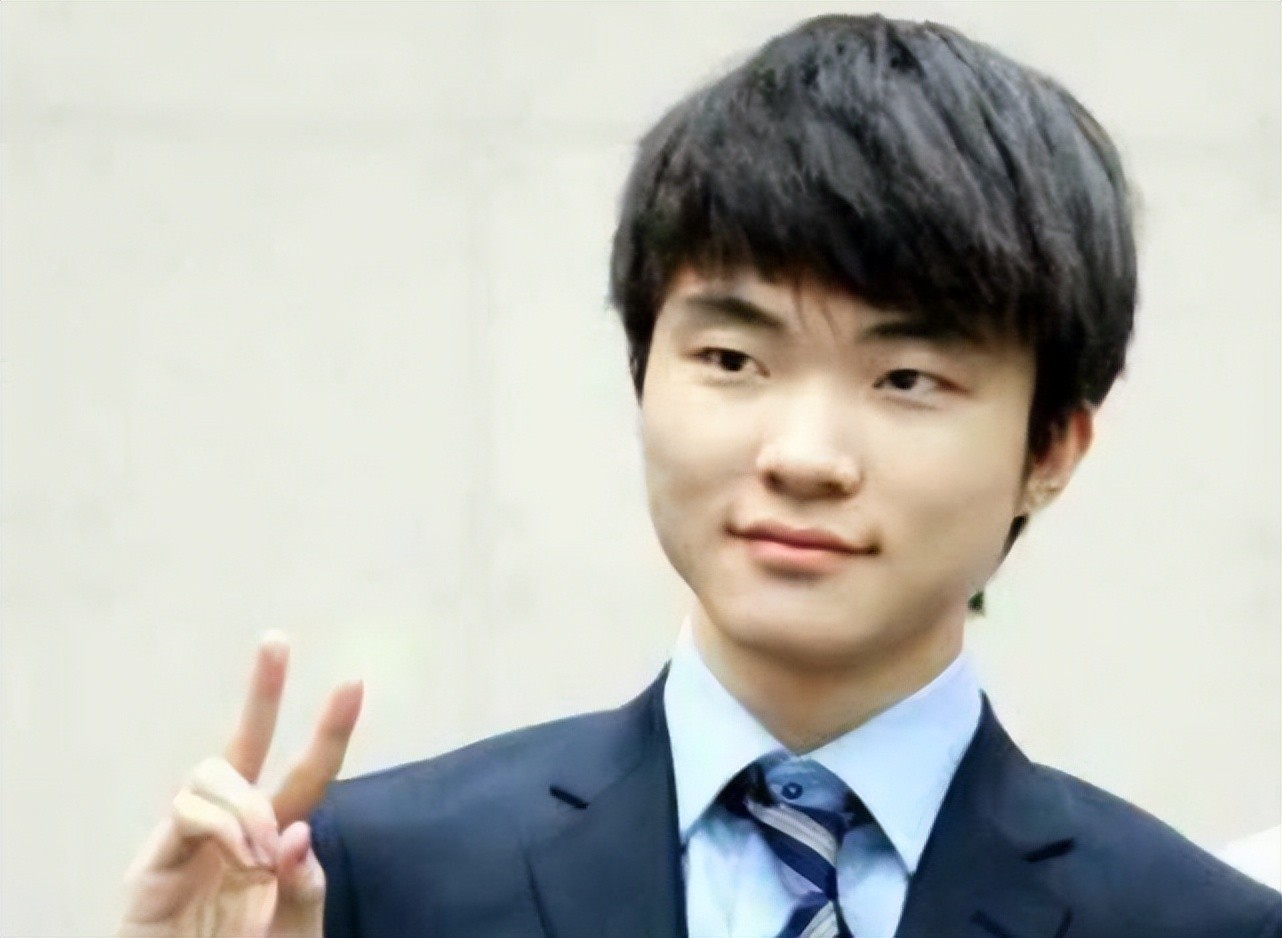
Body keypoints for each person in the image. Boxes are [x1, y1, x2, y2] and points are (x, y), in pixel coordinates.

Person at [117, 13, 1282, 938]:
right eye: (732, 359)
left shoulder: (1199, 923)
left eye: (907, 377)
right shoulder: (366, 877)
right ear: (643, 372)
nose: (804, 456)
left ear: (1052, 448)